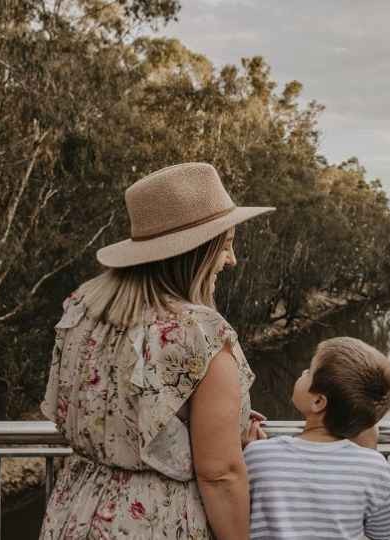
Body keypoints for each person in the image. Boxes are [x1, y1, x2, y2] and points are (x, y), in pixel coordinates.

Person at [40, 162, 274, 539]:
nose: (231, 259)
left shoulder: (83, 311)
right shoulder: (199, 332)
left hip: (75, 513)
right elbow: (219, 474)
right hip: (156, 522)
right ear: (196, 252)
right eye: (227, 244)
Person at [244, 337, 390, 540]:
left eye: (309, 372)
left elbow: (236, 507)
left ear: (318, 401)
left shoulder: (259, 455)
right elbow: (382, 531)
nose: (303, 372)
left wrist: (248, 452)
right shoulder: (376, 470)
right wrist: (369, 453)